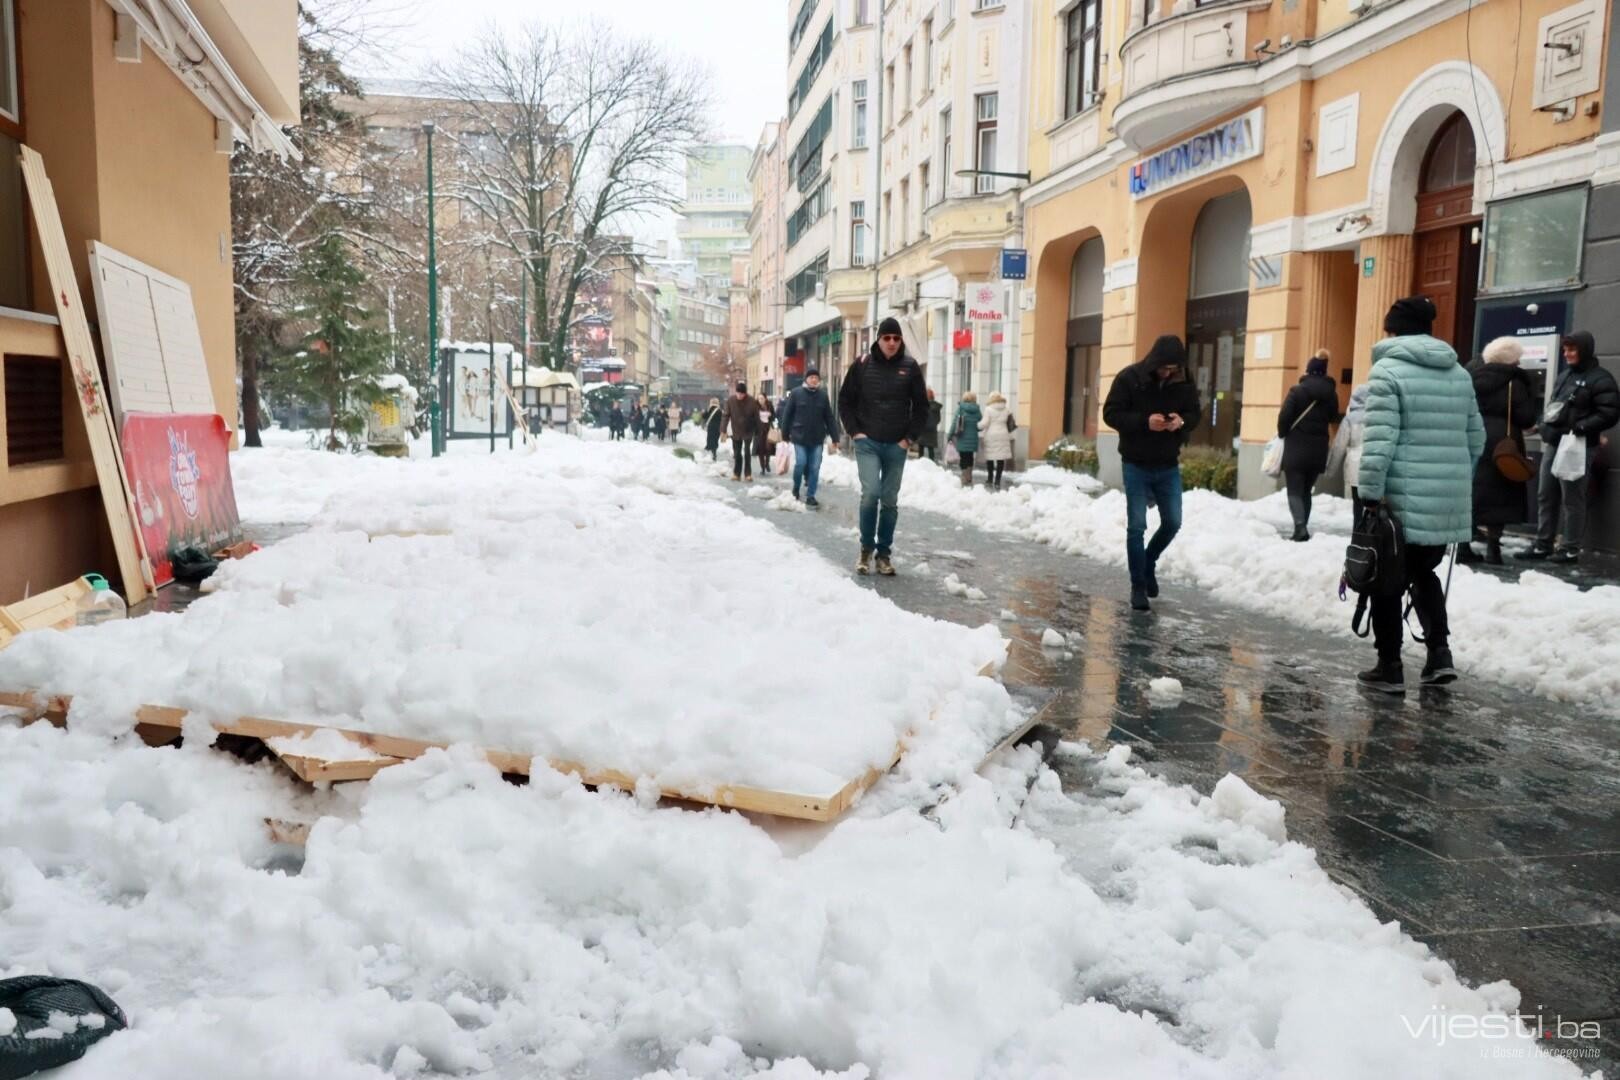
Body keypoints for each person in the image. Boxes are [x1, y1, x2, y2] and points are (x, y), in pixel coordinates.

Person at [1355, 296, 1484, 694]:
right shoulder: (1459, 374)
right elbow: (1476, 439)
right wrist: (1454, 481)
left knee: (1386, 579)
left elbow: (1379, 443)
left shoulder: (1387, 372)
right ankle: (1439, 655)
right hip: (1446, 499)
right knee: (1424, 572)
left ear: (1392, 331)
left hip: (1398, 500)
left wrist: (1370, 496)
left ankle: (1390, 666)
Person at [1101, 334, 1202, 613]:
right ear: (1155, 361)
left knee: (1173, 521)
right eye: (1164, 367)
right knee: (1137, 526)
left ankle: (1149, 562)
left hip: (1168, 463)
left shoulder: (1184, 380)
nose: (1168, 373)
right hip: (1135, 462)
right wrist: (1145, 422)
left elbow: (1195, 412)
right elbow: (1110, 414)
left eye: (1173, 368)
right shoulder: (1129, 378)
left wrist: (1182, 422)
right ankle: (1138, 586)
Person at [838, 316, 929, 574]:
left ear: (901, 341)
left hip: (896, 445)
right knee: (870, 495)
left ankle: (884, 554)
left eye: (896, 338)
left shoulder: (910, 368)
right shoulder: (862, 365)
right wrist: (855, 432)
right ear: (878, 339)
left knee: (889, 500)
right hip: (868, 443)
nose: (891, 342)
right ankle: (866, 550)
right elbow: (845, 400)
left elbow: (922, 408)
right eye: (887, 338)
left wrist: (908, 439)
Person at [1518, 330, 1619, 564]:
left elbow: (1610, 413)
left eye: (1572, 349)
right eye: (1565, 350)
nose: (1567, 354)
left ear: (1584, 350)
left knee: (1572, 498)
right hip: (1555, 442)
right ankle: (1543, 543)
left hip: (1578, 445)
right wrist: (1540, 425)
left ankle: (1569, 548)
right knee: (1545, 494)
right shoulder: (1564, 376)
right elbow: (1555, 406)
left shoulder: (1601, 378)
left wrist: (1580, 427)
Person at [1459, 338, 1538, 566]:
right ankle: (1494, 548)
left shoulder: (1473, 377)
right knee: (1502, 494)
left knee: (1473, 491)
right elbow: (1527, 418)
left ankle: (1463, 547)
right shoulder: (1515, 382)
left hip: (1475, 437)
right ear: (1512, 359)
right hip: (1505, 442)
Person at [1277, 350, 1343, 541]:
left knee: (1295, 490)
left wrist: (1282, 433)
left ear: (1308, 370)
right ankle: (1303, 526)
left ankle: (1300, 527)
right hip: (1318, 450)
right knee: (1306, 490)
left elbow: (1284, 417)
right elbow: (1332, 418)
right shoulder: (1331, 395)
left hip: (1296, 449)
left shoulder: (1296, 392)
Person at [779, 366, 838, 506]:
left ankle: (811, 495)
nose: (814, 380)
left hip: (817, 438)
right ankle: (796, 488)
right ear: (806, 379)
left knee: (815, 467)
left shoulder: (823, 395)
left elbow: (829, 417)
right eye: (811, 377)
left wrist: (835, 437)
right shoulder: (796, 393)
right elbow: (787, 414)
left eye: (816, 378)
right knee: (800, 463)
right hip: (799, 436)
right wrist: (784, 434)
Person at [721, 381, 761, 481]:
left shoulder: (752, 401)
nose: (739, 396)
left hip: (748, 429)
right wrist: (723, 429)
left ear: (745, 393)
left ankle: (748, 474)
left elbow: (757, 417)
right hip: (736, 429)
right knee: (737, 453)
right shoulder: (731, 401)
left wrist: (758, 430)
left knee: (747, 452)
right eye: (738, 393)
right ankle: (736, 473)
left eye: (742, 394)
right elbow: (726, 416)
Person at [978, 392, 1015, 491]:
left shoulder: (988, 409)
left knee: (990, 458)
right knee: (1000, 459)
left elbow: (984, 423)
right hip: (1003, 434)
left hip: (991, 435)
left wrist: (977, 425)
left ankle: (990, 479)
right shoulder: (1006, 409)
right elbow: (1010, 422)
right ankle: (997, 481)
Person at [950, 392, 983, 487]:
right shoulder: (977, 410)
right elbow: (980, 425)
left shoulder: (960, 408)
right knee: (970, 456)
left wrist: (950, 435)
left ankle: (964, 476)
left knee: (963, 457)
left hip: (962, 437)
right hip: (973, 438)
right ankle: (969, 476)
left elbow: (954, 422)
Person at [916, 389, 943, 462]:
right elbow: (938, 419)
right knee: (931, 449)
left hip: (922, 430)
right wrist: (933, 424)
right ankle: (932, 464)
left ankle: (920, 464)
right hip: (932, 431)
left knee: (921, 449)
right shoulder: (936, 407)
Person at [754, 393, 775, 477]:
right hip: (759, 430)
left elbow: (774, 416)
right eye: (759, 399)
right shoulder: (755, 407)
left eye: (762, 398)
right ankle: (762, 468)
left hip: (768, 429)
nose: (760, 400)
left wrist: (770, 416)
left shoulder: (769, 406)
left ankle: (767, 463)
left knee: (768, 447)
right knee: (761, 450)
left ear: (765, 399)